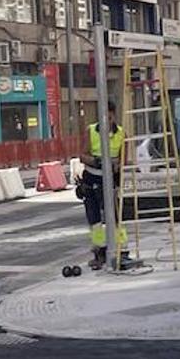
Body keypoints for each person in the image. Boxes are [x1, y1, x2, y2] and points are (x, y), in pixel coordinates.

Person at [80, 103, 127, 270]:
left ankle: (121, 249)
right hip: (93, 177)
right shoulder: (91, 130)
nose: (107, 120)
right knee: (95, 218)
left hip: (111, 179)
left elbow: (124, 160)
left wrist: (115, 166)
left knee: (114, 215)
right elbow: (82, 155)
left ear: (114, 116)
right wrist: (97, 161)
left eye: (110, 116)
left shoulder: (121, 134)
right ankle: (99, 251)